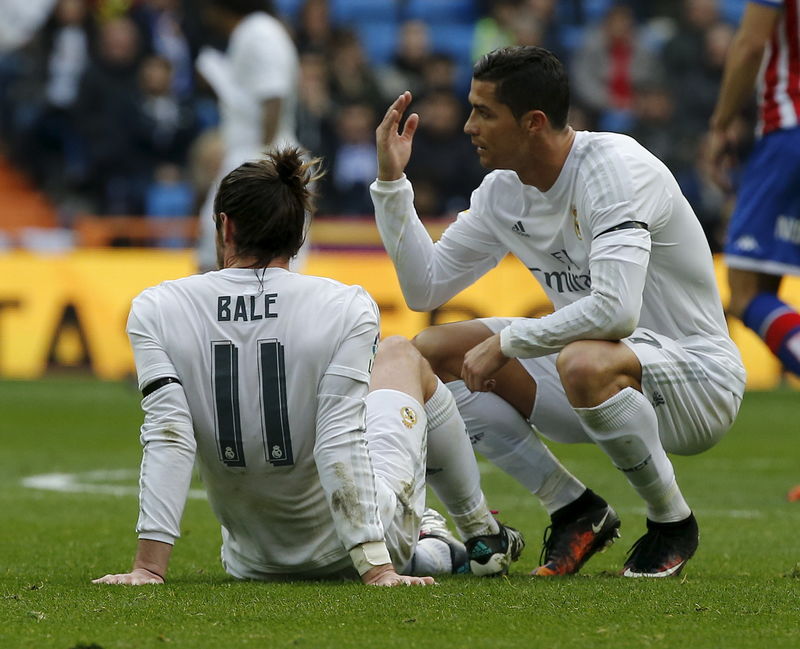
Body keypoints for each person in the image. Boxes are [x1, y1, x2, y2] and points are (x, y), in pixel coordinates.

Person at [371, 46, 746, 578]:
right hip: (592, 374)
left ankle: (671, 523)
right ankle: (574, 510)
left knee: (583, 360)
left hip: (698, 381)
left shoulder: (614, 171)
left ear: (534, 123)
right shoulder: (504, 190)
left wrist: (508, 341)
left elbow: (616, 312)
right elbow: (424, 288)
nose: (467, 125)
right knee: (426, 356)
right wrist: (391, 185)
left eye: (484, 112)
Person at [92, 148, 523, 587]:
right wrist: (376, 568)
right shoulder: (344, 305)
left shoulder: (156, 308)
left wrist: (148, 568)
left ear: (226, 225)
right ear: (299, 234)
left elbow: (169, 435)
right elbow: (339, 437)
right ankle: (479, 534)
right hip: (364, 546)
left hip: (254, 562)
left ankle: (431, 544)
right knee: (401, 355)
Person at [708, 0, 800, 381]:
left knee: (745, 291)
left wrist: (721, 123)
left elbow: (749, 44)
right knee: (762, 285)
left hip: (790, 133)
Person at [195, 0, 300, 272]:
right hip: (258, 156)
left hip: (263, 159)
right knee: (218, 252)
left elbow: (273, 96)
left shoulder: (259, 31)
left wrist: (263, 163)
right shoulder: (254, 31)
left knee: (266, 264)